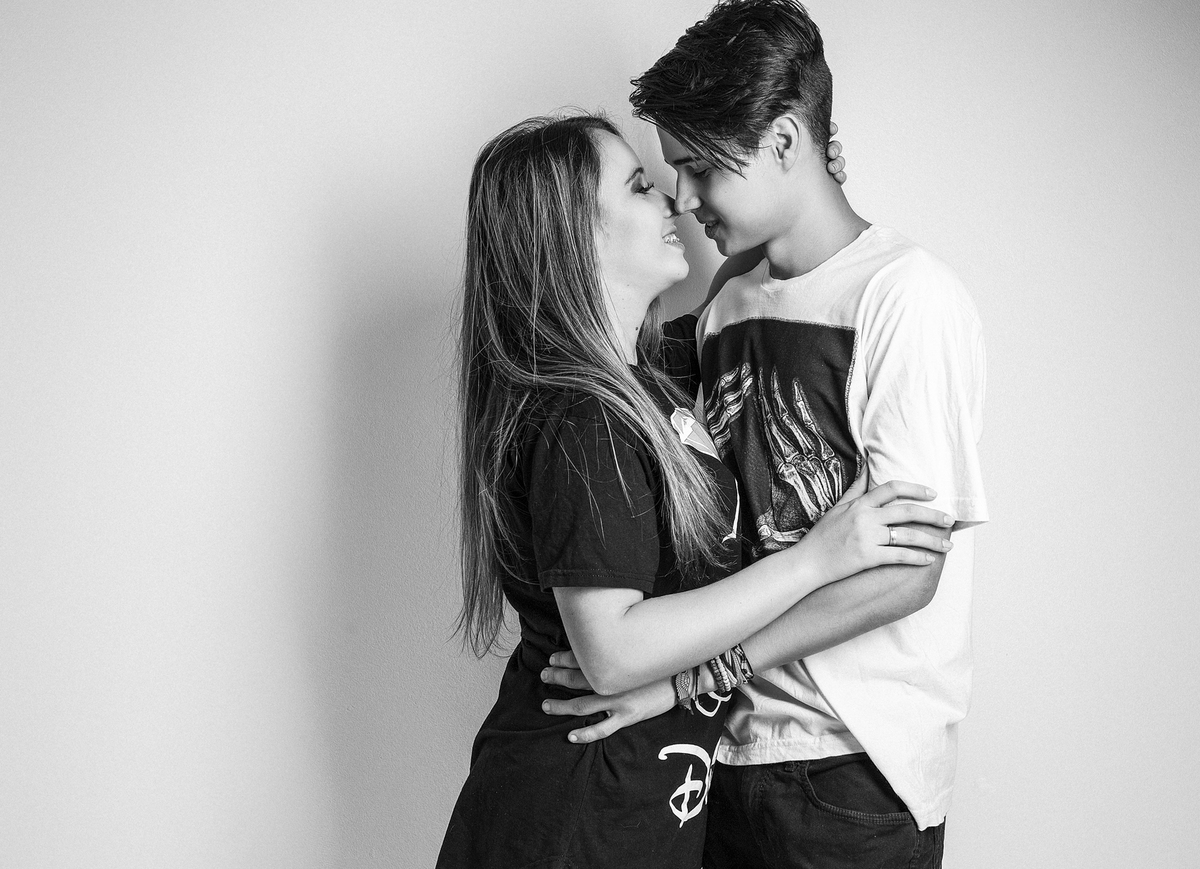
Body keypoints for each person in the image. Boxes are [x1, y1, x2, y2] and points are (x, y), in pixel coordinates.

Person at [435, 113, 954, 869]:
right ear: (572, 234)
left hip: (643, 805)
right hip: (572, 814)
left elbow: (749, 297)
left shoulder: (656, 381)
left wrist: (796, 186)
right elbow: (613, 652)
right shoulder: (585, 419)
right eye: (640, 186)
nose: (676, 200)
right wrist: (816, 558)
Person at [543, 2, 989, 867]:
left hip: (850, 770)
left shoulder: (905, 297)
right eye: (671, 171)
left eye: (700, 168)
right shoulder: (727, 304)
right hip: (723, 755)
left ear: (785, 140)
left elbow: (907, 572)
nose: (683, 198)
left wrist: (688, 677)